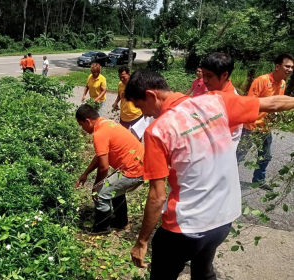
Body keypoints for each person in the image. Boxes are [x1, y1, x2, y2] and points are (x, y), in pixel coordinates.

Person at [124, 69, 294, 280]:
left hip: (186, 228)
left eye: (141, 107)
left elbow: (157, 196)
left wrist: (141, 242)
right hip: (223, 220)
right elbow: (274, 103)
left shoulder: (158, 131)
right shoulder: (216, 102)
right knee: (203, 272)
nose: (146, 114)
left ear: (151, 95)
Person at [74, 104, 144, 233]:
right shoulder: (108, 123)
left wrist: (97, 185)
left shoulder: (99, 133)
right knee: (114, 188)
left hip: (133, 171)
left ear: (87, 121)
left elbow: (104, 167)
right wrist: (86, 173)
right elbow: (100, 156)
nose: (82, 128)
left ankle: (101, 229)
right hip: (139, 166)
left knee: (100, 194)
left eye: (81, 125)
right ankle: (121, 222)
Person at [236, 53, 294, 190]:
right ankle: (225, 180)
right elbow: (250, 103)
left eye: (292, 67)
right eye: (287, 66)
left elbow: (276, 103)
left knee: (266, 156)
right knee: (239, 155)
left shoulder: (282, 84)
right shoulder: (261, 80)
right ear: (277, 66)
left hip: (266, 128)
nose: (290, 69)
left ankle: (259, 180)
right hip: (251, 126)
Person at [201, 52, 243, 147]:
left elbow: (216, 138)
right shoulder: (215, 92)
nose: (205, 80)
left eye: (209, 76)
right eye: (203, 75)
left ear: (224, 75)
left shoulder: (230, 101)